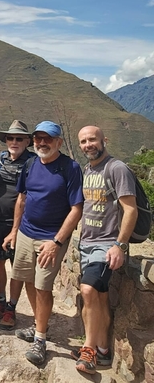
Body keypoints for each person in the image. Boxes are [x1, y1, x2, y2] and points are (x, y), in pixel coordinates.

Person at [2, 121, 83, 366]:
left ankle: (40, 339)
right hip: (26, 233)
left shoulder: (70, 168)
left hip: (51, 238)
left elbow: (76, 208)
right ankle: (39, 325)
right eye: (38, 138)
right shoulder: (30, 164)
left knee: (43, 287)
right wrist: (14, 231)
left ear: (59, 142)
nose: (42, 143)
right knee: (27, 279)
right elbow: (22, 199)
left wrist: (57, 242)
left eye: (48, 138)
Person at [71, 126, 137, 374]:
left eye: (93, 140)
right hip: (87, 243)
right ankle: (103, 351)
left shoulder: (116, 168)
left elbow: (130, 209)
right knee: (99, 296)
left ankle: (87, 351)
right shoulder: (88, 169)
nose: (89, 144)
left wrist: (120, 245)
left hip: (107, 244)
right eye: (84, 141)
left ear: (104, 140)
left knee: (87, 290)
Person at [0, 120, 33, 330]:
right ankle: (1, 299)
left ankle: (12, 308)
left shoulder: (33, 162)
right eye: (10, 138)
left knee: (18, 268)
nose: (14, 141)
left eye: (19, 138)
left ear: (27, 142)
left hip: (23, 224)